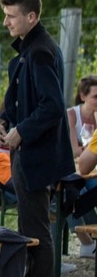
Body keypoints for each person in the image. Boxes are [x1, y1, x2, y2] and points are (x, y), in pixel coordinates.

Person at [0, 0, 75, 277]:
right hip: (30, 154)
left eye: (11, 16)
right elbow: (20, 93)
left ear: (31, 17)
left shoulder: (40, 51)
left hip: (37, 157)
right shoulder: (31, 48)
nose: (5, 22)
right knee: (30, 229)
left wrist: (21, 132)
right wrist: (2, 120)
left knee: (36, 233)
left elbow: (52, 106)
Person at [67, 75, 97, 258]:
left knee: (70, 192)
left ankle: (88, 241)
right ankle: (88, 242)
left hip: (85, 170)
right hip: (82, 170)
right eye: (96, 96)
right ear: (83, 96)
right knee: (75, 189)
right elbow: (74, 151)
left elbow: (84, 160)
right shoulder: (72, 114)